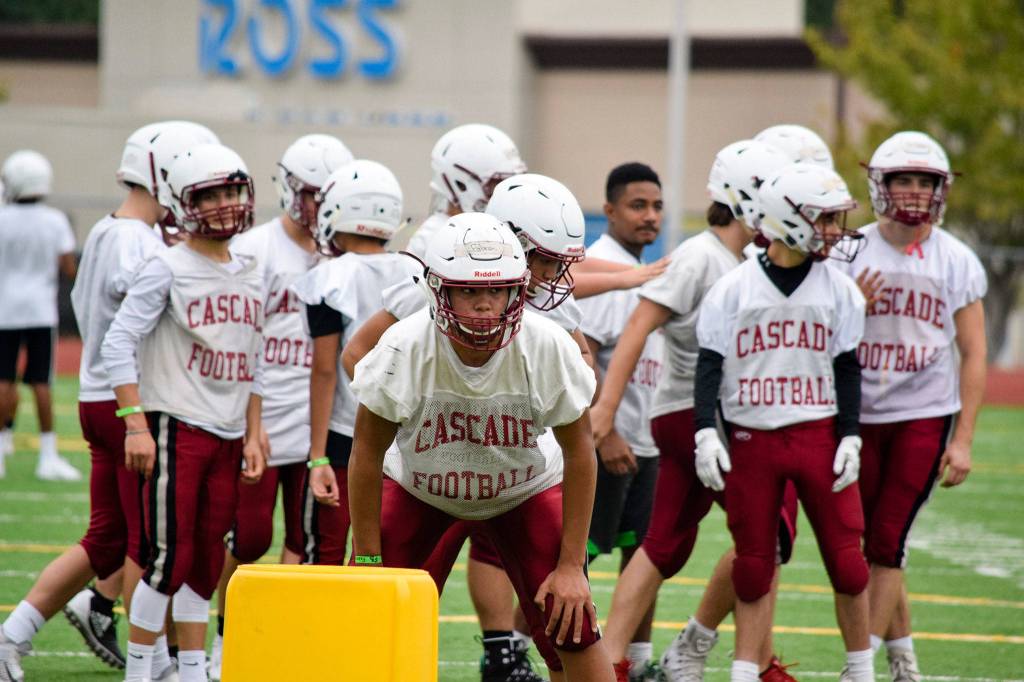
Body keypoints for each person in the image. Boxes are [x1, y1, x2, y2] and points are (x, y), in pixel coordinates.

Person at [343, 172, 591, 681]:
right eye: (468, 293)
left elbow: (579, 446)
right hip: (423, 483)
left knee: (573, 629)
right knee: (365, 621)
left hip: (520, 483)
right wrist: (366, 554)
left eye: (500, 291)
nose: (484, 306)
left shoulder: (545, 338)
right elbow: (366, 449)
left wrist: (572, 566)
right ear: (438, 289)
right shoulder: (406, 339)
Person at [0, 123, 216, 682]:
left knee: (107, 538)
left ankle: (13, 633)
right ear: (165, 174)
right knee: (152, 542)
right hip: (129, 405)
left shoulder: (108, 229)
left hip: (101, 397)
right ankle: (160, 662)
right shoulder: (137, 241)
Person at [590, 141, 795, 682]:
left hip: (699, 416)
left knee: (664, 543)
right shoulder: (702, 256)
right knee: (764, 537)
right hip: (695, 416)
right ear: (747, 197)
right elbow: (639, 324)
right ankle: (748, 663)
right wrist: (605, 409)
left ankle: (609, 658)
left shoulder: (745, 259)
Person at [694, 163, 873, 682]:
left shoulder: (840, 289)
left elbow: (846, 368)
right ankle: (745, 673)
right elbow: (710, 365)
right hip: (753, 438)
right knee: (752, 566)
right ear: (786, 218)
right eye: (825, 219)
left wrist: (851, 435)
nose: (835, 231)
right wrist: (706, 429)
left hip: (818, 433)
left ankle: (861, 671)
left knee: (848, 561)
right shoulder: (733, 289)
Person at [100, 142, 266, 682]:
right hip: (177, 425)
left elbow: (254, 357)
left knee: (206, 558)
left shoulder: (250, 269)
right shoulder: (166, 265)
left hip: (227, 431)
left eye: (230, 191)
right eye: (209, 195)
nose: (224, 204)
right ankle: (142, 670)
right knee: (169, 557)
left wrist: (255, 432)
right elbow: (117, 342)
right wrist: (136, 424)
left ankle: (192, 668)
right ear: (180, 202)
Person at [833, 131, 987, 681]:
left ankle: (862, 667)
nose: (917, 191)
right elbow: (822, 331)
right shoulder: (849, 250)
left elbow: (973, 352)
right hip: (855, 413)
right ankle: (902, 659)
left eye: (927, 181)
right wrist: (854, 305)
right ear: (881, 184)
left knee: (888, 538)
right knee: (869, 540)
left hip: (923, 412)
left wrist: (963, 438)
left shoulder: (956, 259)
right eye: (906, 179)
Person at [208, 133, 352, 680]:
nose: (319, 207)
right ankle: (223, 636)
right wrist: (250, 423)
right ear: (290, 190)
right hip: (266, 416)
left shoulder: (343, 254)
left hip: (323, 422)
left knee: (310, 542)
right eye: (312, 194)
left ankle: (286, 642)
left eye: (328, 195)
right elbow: (239, 338)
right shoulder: (256, 249)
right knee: (247, 537)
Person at [575, 163, 665, 679]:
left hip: (646, 443)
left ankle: (636, 662)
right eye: (637, 205)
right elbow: (577, 358)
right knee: (571, 562)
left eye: (656, 206)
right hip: (604, 444)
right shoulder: (598, 270)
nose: (649, 216)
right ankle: (521, 648)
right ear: (608, 211)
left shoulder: (644, 270)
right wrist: (602, 432)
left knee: (644, 560)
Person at [0, 150, 79, 481]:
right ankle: (48, 455)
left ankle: (2, 448)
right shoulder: (55, 220)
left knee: (4, 379)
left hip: (4, 309)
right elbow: (69, 267)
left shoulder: (2, 217)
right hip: (41, 311)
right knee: (41, 382)